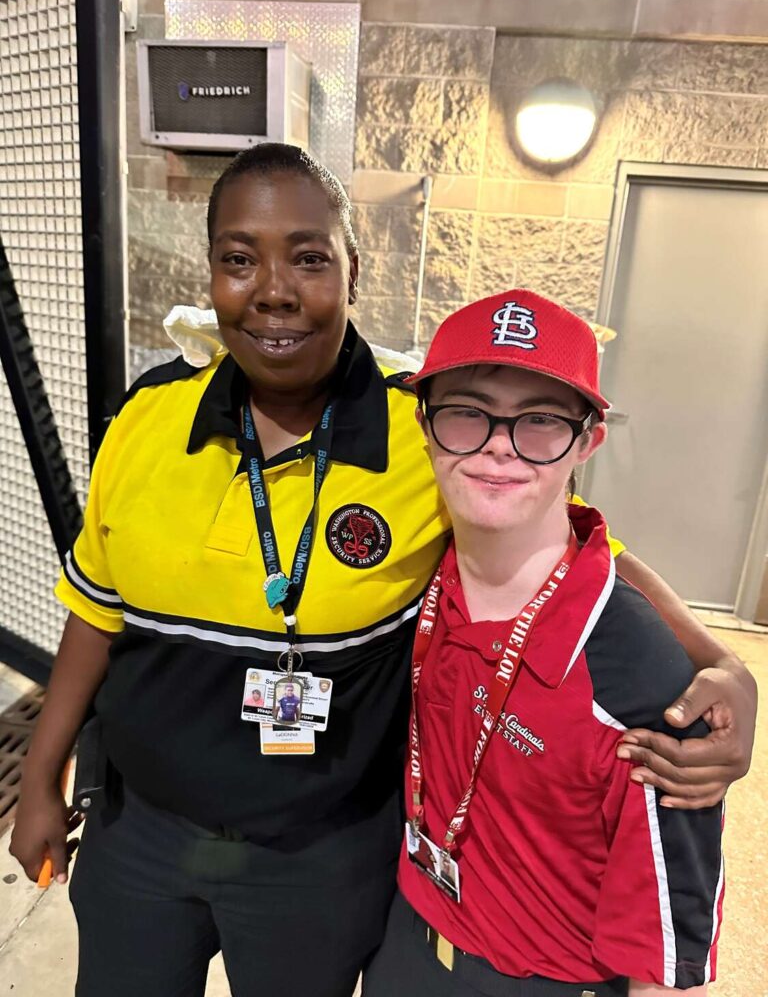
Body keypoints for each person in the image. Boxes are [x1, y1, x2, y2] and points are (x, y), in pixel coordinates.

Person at [8, 145, 754, 997]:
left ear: (352, 270)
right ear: (210, 273)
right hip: (140, 834)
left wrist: (726, 668)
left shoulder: (429, 430)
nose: (275, 290)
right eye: (239, 259)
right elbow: (95, 614)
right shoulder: (146, 419)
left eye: (309, 257)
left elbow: (582, 548)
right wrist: (40, 778)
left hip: (321, 858)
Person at [364, 290, 725, 997]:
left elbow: (667, 956)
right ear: (426, 428)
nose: (500, 445)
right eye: (467, 412)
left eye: (540, 422)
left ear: (587, 441)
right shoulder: (418, 583)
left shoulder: (635, 671)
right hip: (406, 945)